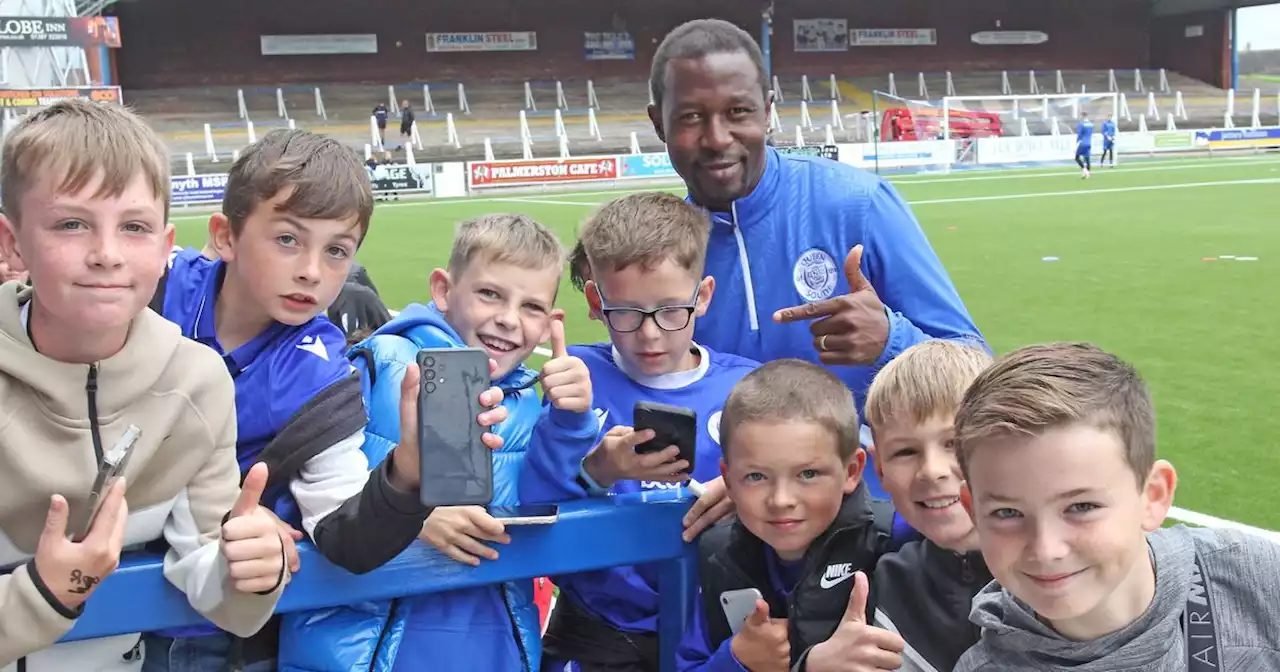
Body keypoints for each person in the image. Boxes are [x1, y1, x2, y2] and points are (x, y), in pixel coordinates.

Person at [148, 129, 513, 671]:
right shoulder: (149, 290)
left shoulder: (320, 371)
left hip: (222, 631)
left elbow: (348, 539)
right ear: (225, 236)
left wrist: (407, 474)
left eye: (337, 250)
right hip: (85, 615)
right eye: (288, 240)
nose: (312, 272)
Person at [623, 18, 984, 499]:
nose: (716, 137)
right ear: (657, 122)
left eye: (738, 111)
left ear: (769, 111)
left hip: (875, 526)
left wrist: (891, 340)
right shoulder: (665, 256)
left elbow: (977, 365)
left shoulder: (857, 203)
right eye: (690, 117)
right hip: (737, 526)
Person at [0, 99, 287, 669]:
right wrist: (39, 597)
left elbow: (209, 576)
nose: (106, 254)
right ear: (11, 243)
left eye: (133, 227)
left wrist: (252, 569)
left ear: (164, 248)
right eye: (71, 223)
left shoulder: (198, 380)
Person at [276, 213, 581, 672]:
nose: (507, 319)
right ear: (443, 290)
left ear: (550, 322)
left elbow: (550, 503)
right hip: (368, 646)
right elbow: (316, 490)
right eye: (490, 294)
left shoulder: (531, 400)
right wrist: (409, 514)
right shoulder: (377, 364)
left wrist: (570, 424)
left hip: (492, 642)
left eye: (531, 307)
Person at [521, 192, 759, 671]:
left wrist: (750, 487)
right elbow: (528, 507)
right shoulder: (572, 380)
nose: (650, 334)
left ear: (704, 296)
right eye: (625, 313)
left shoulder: (749, 389)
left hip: (716, 633)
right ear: (594, 299)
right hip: (598, 637)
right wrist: (598, 469)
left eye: (672, 311)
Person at [953, 343, 1280, 671]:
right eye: (1007, 513)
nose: (1046, 549)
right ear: (973, 512)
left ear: (1153, 495)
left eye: (1081, 506)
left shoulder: (1256, 578)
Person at [675, 360, 898, 672]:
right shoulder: (720, 555)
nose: (781, 500)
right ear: (728, 480)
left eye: (807, 473)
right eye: (756, 477)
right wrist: (737, 660)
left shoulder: (892, 541)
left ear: (852, 471)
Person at [859, 340, 995, 671]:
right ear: (879, 469)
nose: (932, 470)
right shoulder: (884, 588)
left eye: (954, 444)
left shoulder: (1059, 570)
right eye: (905, 452)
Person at [1075, 112, 1095, 178]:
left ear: (1083, 116)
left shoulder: (1081, 124)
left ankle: (1085, 171)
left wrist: (1077, 142)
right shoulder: (1091, 124)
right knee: (1087, 158)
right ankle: (1087, 173)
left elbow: (1079, 134)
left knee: (1077, 158)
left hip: (1082, 143)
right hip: (1088, 142)